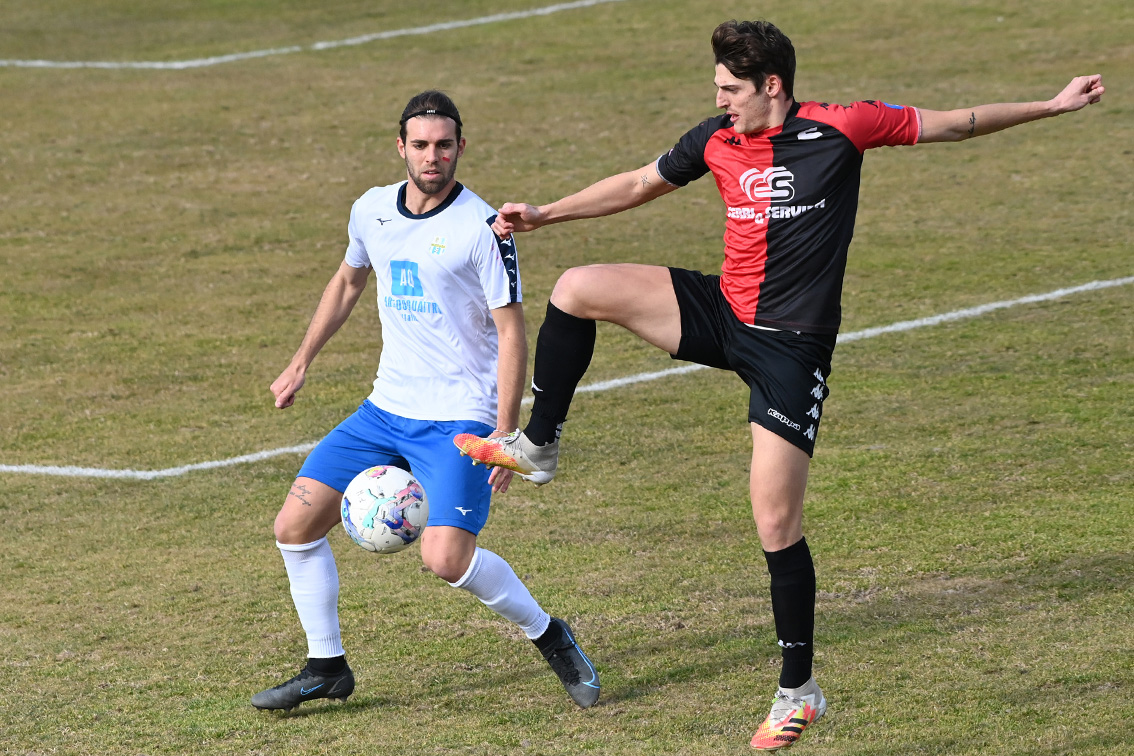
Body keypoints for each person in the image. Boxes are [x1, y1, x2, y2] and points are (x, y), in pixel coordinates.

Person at [454, 20, 1104, 750]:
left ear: (772, 86)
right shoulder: (716, 139)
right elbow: (641, 183)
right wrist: (547, 213)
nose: (721, 102)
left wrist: (1051, 107)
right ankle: (538, 447)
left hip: (791, 351)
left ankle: (799, 690)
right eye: (716, 91)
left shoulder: (842, 127)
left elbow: (956, 125)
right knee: (576, 288)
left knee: (774, 522)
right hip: (724, 310)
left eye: (731, 90)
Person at [252, 91, 600, 713]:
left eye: (444, 145)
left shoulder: (483, 228)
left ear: (461, 148)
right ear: (401, 148)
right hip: (386, 409)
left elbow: (511, 329)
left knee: (446, 559)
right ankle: (325, 665)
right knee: (294, 528)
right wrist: (301, 360)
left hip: (459, 417)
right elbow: (348, 280)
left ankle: (549, 634)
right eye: (421, 145)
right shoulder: (370, 210)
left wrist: (503, 433)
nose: (432, 156)